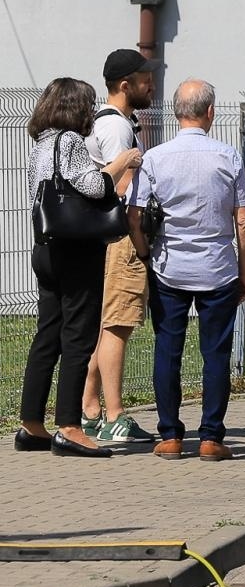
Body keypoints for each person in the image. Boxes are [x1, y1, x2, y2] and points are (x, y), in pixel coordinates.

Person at [128, 80, 245, 462]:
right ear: (210, 112)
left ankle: (169, 436)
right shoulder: (228, 157)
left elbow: (133, 214)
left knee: (168, 350)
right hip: (218, 268)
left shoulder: (155, 158)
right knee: (215, 354)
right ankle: (211, 438)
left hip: (169, 267)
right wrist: (243, 271)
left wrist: (146, 253)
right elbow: (243, 221)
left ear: (177, 112)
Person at [17, 78, 141, 457]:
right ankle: (70, 426)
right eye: (87, 105)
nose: (90, 111)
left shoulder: (41, 144)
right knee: (78, 337)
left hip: (47, 248)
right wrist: (123, 162)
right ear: (74, 107)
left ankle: (31, 424)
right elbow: (93, 187)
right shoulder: (69, 140)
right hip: (76, 251)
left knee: (48, 334)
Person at [81, 49, 157, 444]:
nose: (152, 85)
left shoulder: (110, 123)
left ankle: (90, 407)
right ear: (125, 85)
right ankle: (114, 416)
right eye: (145, 79)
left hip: (104, 240)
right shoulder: (117, 130)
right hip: (120, 239)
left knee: (105, 326)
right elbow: (118, 190)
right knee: (117, 326)